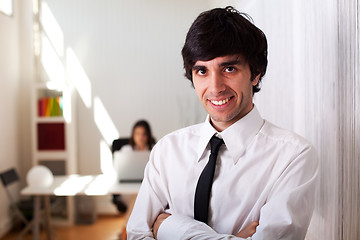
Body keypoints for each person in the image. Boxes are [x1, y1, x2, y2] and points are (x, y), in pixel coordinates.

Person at [127, 6, 318, 240]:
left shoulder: (293, 156)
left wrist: (170, 228)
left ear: (255, 73)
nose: (215, 87)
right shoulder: (167, 151)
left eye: (229, 68)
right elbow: (137, 235)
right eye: (202, 71)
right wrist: (235, 237)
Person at [112, 119, 156, 213]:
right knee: (137, 197)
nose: (141, 137)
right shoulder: (126, 150)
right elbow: (118, 170)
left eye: (144, 134)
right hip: (128, 188)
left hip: (146, 186)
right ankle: (128, 227)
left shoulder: (154, 151)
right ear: (133, 135)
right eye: (138, 133)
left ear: (148, 136)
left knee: (143, 196)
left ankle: (127, 227)